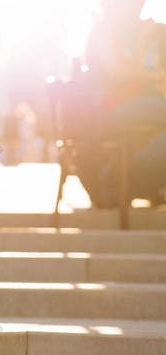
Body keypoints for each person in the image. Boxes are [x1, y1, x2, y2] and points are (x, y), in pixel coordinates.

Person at [84, 0, 166, 206]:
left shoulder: (130, 33)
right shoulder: (104, 31)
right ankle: (118, 176)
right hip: (115, 106)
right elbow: (117, 72)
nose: (137, 9)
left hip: (137, 104)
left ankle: (124, 176)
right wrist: (155, 75)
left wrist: (144, 39)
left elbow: (138, 69)